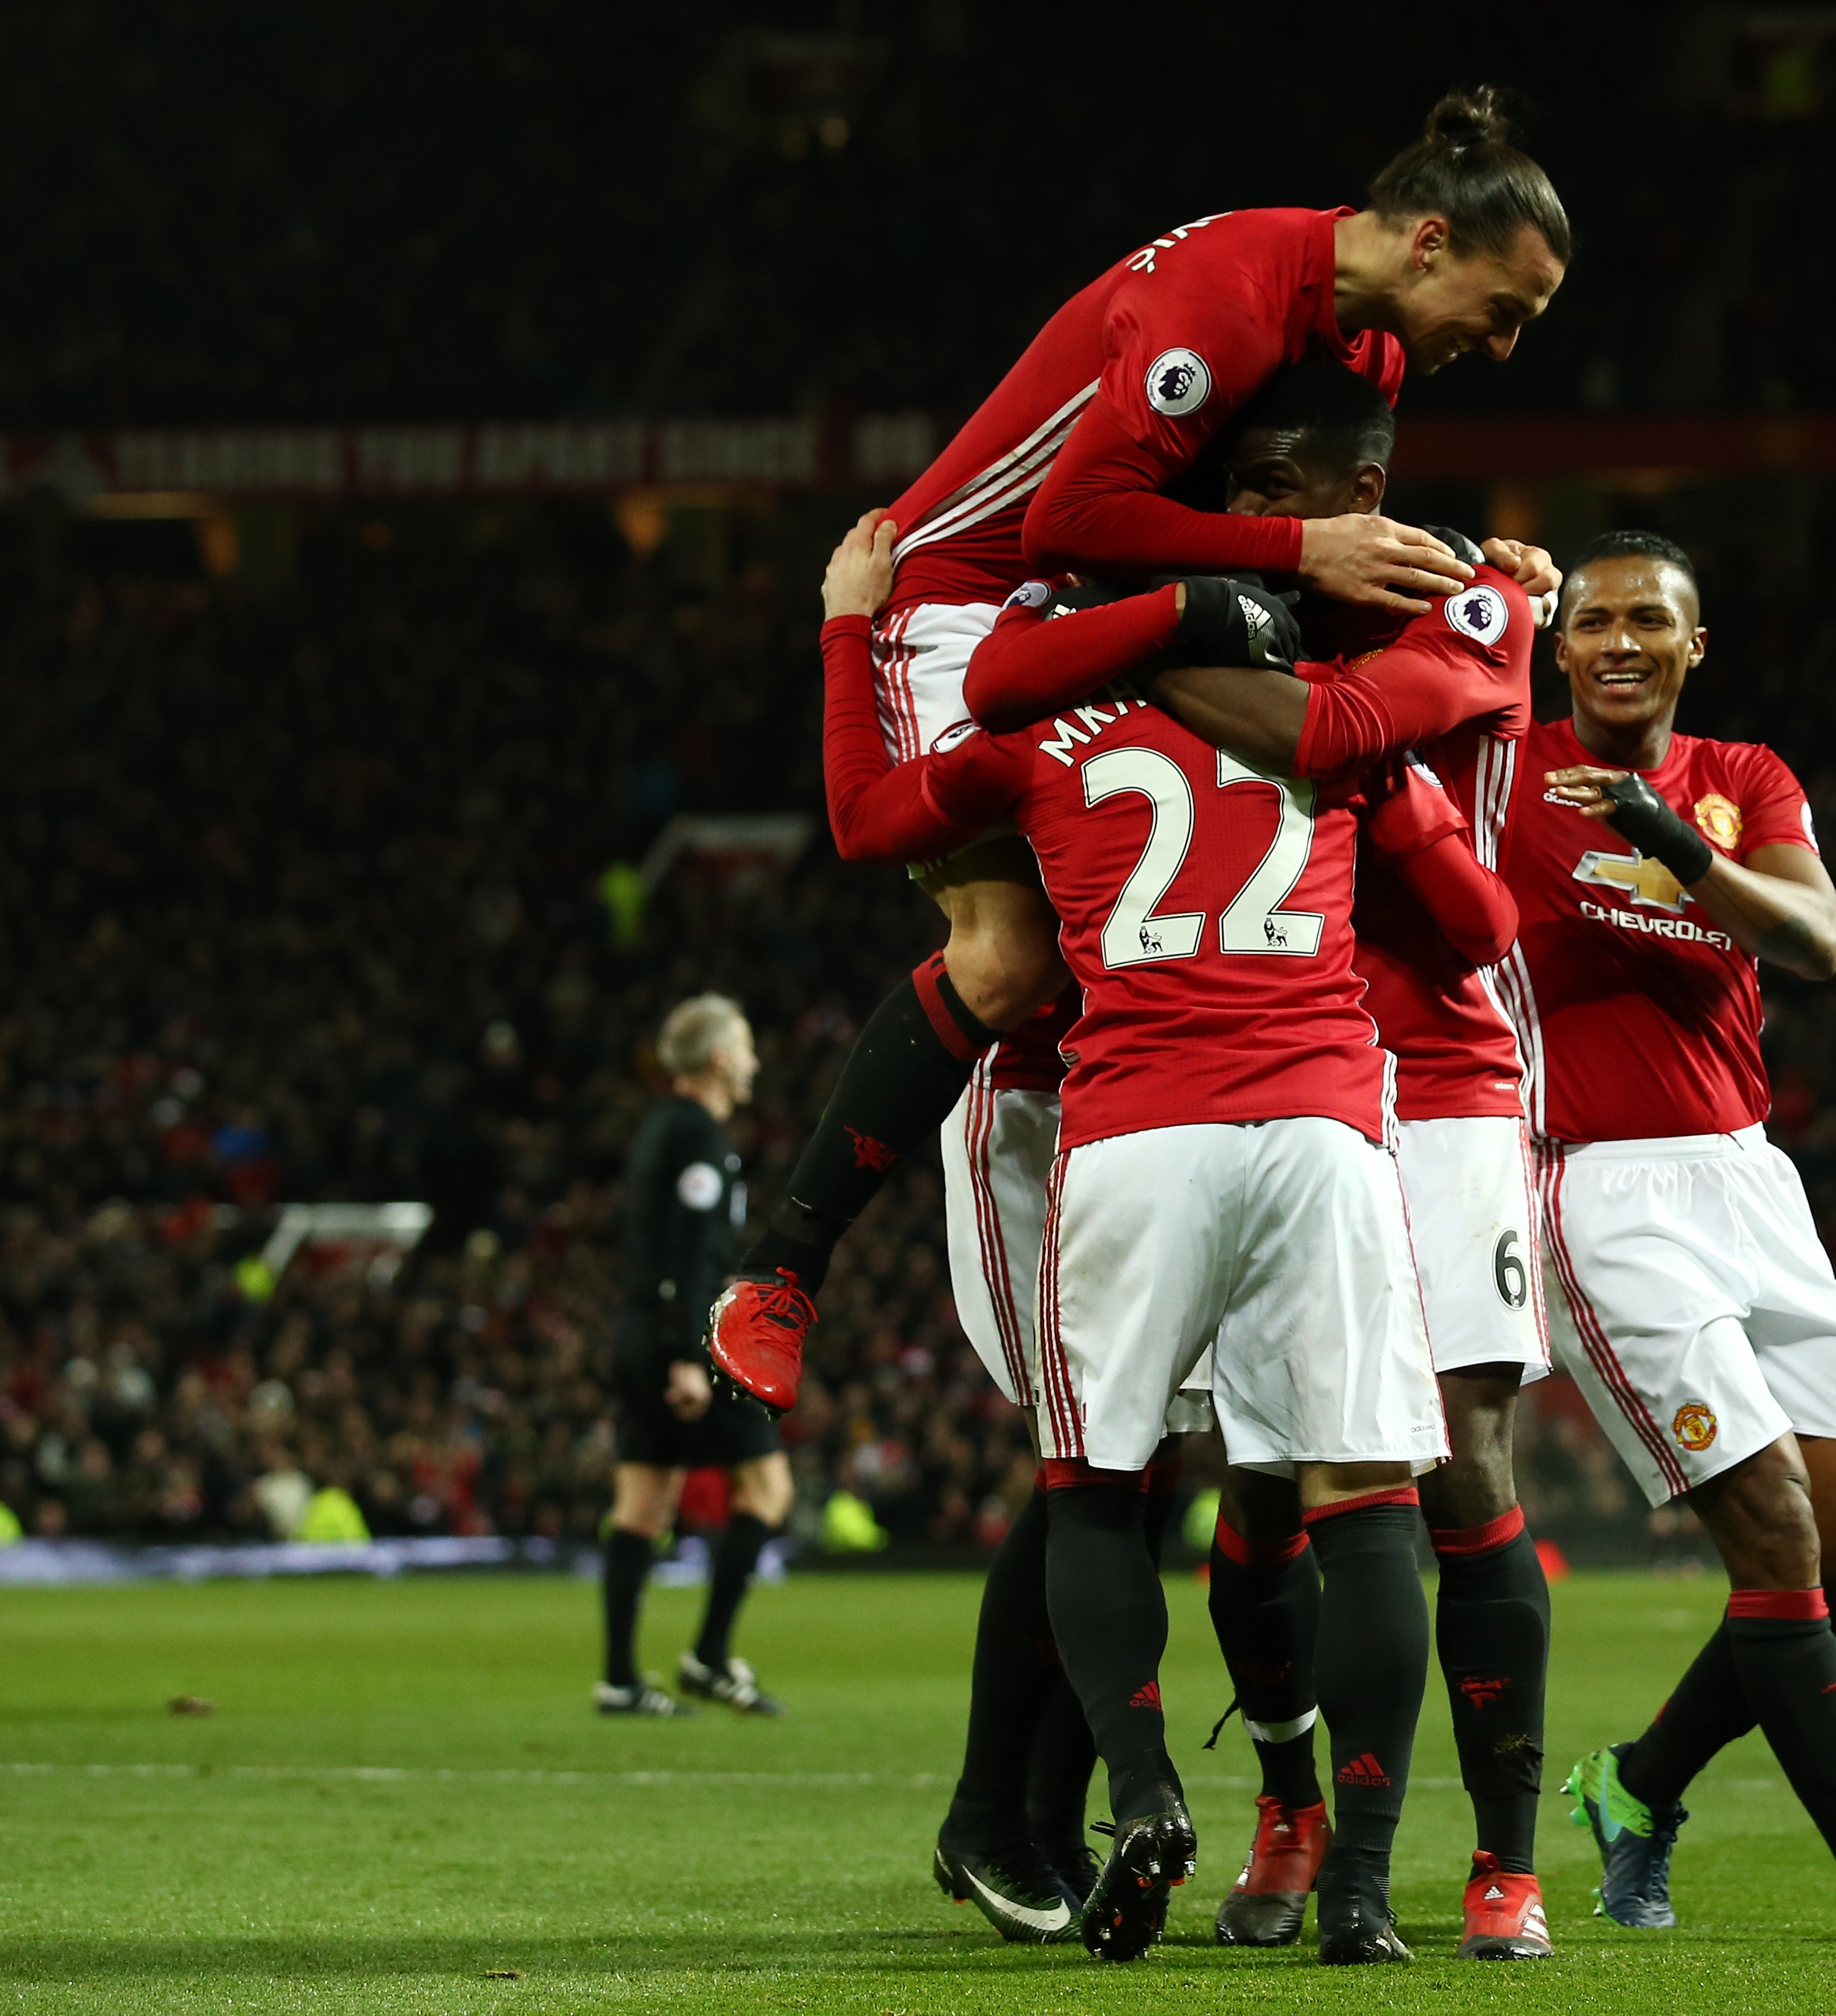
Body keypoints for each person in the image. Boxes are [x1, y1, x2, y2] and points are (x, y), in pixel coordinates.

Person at [704, 86, 1571, 1380]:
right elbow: (1067, 518)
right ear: (1430, 243)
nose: (1502, 350)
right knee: (1006, 962)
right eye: (1503, 313)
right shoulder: (1225, 298)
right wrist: (1298, 548)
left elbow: (1317, 501)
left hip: (1134, 601)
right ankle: (781, 1271)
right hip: (969, 598)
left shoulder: (1373, 348)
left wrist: (1448, 561)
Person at [803, 486, 1490, 1968]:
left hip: (1133, 1130)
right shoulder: (1335, 716)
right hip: (1319, 1127)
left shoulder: (1036, 737)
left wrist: (847, 626)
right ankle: (1361, 1881)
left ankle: (1145, 1786)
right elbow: (1479, 926)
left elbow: (866, 817)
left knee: (1095, 1485)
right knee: (1364, 1505)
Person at [1450, 530, 1836, 1946]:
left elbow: (1818, 935)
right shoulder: (1499, 771)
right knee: (1772, 1522)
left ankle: (1638, 1786)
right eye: (1592, 621)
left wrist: (1659, 830)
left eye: (1651, 618)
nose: (1621, 640)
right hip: (1597, 1181)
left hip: (1747, 1178)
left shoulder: (1742, 776)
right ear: (1557, 642)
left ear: (1693, 644)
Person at [597, 995, 793, 1718]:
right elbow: (685, 1252)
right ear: (717, 1061)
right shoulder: (698, 1137)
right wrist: (687, 1355)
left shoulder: (663, 1129)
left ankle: (620, 1677)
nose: (754, 1062)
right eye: (744, 1047)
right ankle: (709, 1658)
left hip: (640, 1331)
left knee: (643, 1504)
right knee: (768, 1492)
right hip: (682, 1342)